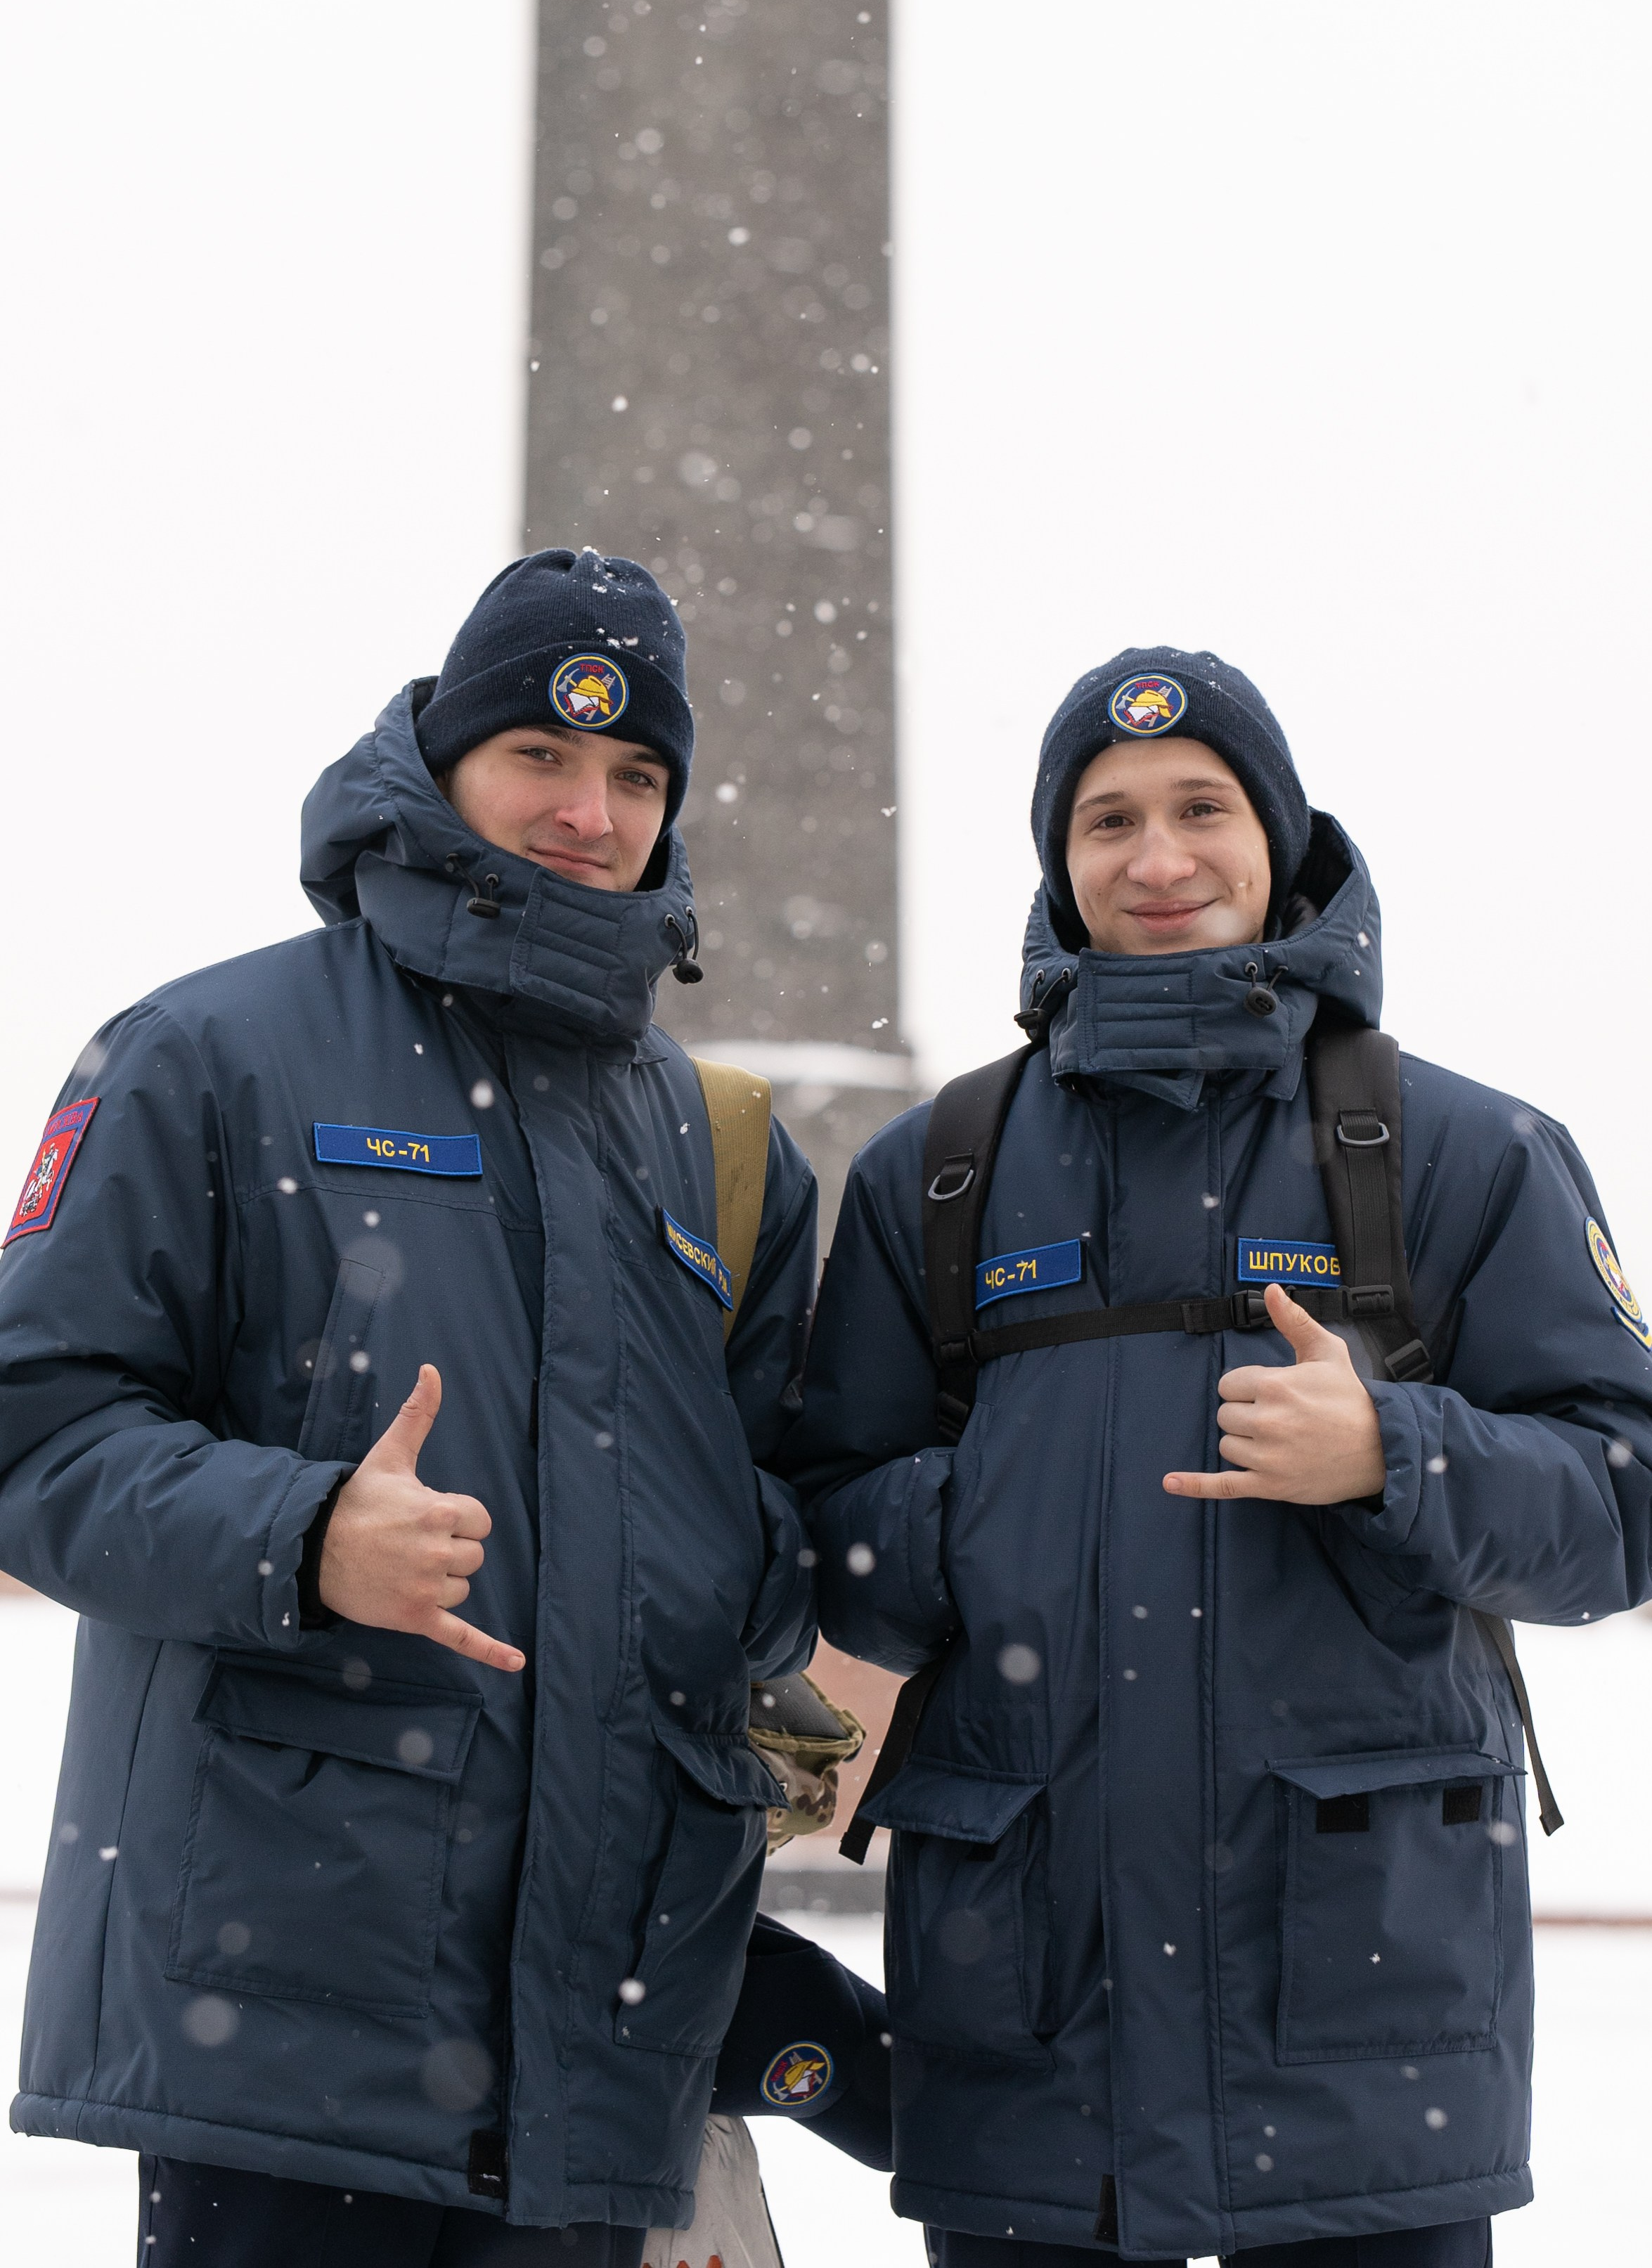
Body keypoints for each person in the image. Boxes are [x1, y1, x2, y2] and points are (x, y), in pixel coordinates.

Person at [0, 548, 825, 2264]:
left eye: (635, 775)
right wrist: (301, 1533)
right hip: (284, 2020)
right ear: (440, 754)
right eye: (540, 752)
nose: (587, 810)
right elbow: (34, 1425)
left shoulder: (713, 1142)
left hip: (599, 2042)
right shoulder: (206, 1051)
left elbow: (759, 1510)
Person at [782, 647, 1652, 2267]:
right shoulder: (939, 1173)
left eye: (1200, 807)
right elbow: (824, 1537)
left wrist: (1397, 1448)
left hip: (1358, 2038)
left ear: (1279, 837)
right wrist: (979, 1510)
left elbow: (1620, 1506)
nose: (1156, 855)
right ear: (1059, 860)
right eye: (1106, 818)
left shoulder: (1466, 1150)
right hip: (1027, 2023)